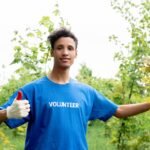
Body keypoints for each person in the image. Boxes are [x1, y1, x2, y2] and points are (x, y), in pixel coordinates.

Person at [0, 28, 150, 150]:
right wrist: (7, 113)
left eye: (70, 48)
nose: (65, 52)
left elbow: (119, 111)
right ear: (51, 52)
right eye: (59, 48)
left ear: (75, 54)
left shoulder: (86, 92)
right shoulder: (32, 90)